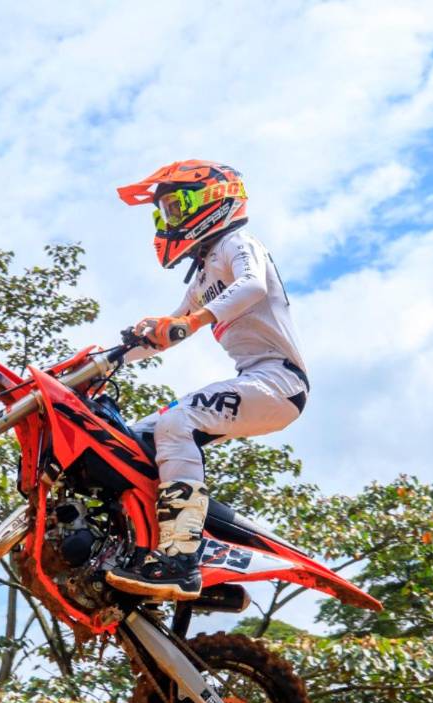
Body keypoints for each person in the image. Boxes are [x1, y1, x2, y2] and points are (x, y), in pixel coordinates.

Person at [106, 160, 310, 601]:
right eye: (163, 214)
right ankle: (136, 550)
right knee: (132, 439)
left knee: (178, 421)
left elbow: (253, 286)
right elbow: (170, 330)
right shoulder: (202, 276)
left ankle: (180, 558)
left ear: (213, 200)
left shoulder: (239, 243)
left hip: (279, 382)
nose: (168, 222)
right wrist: (111, 359)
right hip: (255, 381)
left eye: (175, 209)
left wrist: (195, 320)